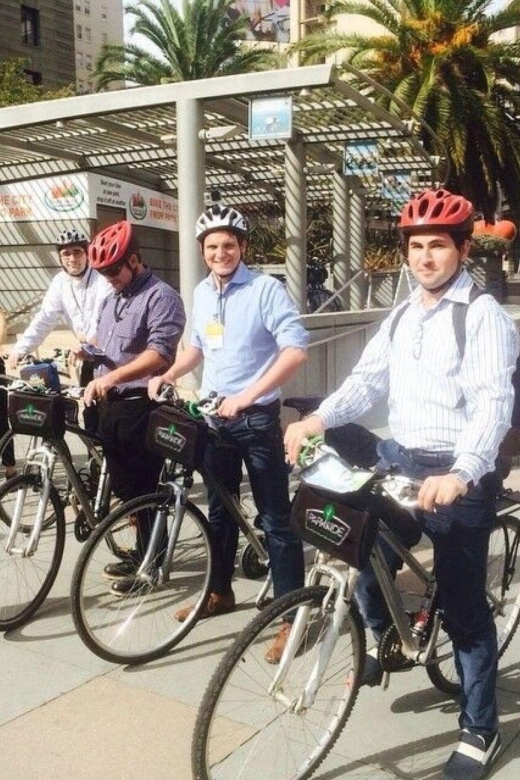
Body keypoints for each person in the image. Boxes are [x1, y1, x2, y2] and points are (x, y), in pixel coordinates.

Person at [284, 188, 520, 780]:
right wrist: (317, 418)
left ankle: (480, 729)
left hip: (457, 470)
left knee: (465, 609)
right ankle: (381, 634)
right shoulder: (401, 313)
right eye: (416, 246)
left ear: (462, 249)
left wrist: (463, 473)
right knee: (356, 544)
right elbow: (365, 384)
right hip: (401, 457)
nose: (425, 257)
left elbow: (494, 403)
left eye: (437, 245)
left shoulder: (482, 316)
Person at [148, 201, 308, 663]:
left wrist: (250, 394)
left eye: (229, 245)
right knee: (220, 511)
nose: (221, 253)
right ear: (203, 251)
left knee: (276, 520)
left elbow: (295, 350)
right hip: (213, 418)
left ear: (243, 247)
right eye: (213, 246)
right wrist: (168, 373)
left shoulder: (265, 290)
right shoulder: (201, 292)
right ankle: (219, 593)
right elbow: (197, 347)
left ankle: (291, 616)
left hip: (255, 419)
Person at [83, 219, 185, 596]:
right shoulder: (112, 298)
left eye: (114, 270)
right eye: (104, 272)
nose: (109, 277)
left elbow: (160, 353)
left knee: (144, 488)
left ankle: (152, 566)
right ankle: (142, 551)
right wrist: (89, 351)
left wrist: (112, 378)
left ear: (135, 260)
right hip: (112, 403)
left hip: (140, 403)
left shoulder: (162, 297)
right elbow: (108, 343)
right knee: (126, 488)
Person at [7, 228, 111, 385]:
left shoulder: (101, 278)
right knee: (90, 406)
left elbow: (102, 316)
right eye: (66, 254)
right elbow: (45, 317)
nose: (72, 258)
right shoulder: (60, 282)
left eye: (77, 252)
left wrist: (88, 342)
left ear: (87, 254)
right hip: (86, 356)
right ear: (60, 258)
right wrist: (21, 348)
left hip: (108, 355)